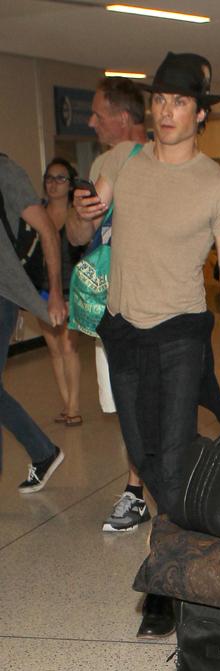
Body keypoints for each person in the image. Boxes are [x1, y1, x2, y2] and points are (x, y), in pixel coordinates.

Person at [69, 52, 220, 637]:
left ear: (199, 115)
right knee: (144, 458)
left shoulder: (219, 184)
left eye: (180, 103)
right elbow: (80, 230)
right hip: (123, 332)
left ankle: (168, 580)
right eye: (161, 100)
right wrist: (83, 213)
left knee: (169, 453)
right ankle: (203, 542)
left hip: (179, 333)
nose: (167, 111)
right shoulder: (121, 159)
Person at [72, 77, 149, 532]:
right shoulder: (106, 162)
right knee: (128, 402)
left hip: (159, 302)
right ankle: (139, 487)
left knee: (152, 401)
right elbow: (81, 237)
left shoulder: (165, 162)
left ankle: (139, 489)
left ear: (122, 117)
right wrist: (80, 217)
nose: (91, 122)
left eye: (98, 114)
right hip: (112, 302)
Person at [0, 154, 66, 492]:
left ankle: (43, 451)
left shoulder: (6, 172)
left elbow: (48, 230)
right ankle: (42, 451)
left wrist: (54, 292)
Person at [28, 158, 84, 426]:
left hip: (70, 289)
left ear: (70, 183)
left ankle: (74, 406)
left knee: (68, 346)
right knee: (53, 349)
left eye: (60, 178)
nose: (53, 183)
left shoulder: (77, 215)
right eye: (49, 178)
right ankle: (65, 404)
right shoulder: (36, 213)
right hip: (42, 289)